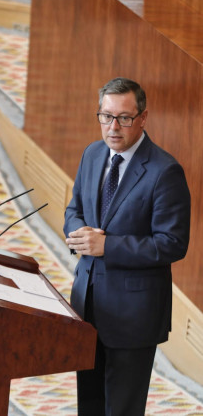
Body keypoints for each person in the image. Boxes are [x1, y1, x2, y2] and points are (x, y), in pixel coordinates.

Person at [64, 77, 191, 415]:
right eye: (106, 116)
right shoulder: (93, 154)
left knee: (121, 409)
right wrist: (78, 232)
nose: (113, 127)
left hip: (133, 315)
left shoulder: (165, 171)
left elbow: (172, 244)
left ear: (143, 118)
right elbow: (74, 209)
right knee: (88, 405)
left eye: (124, 117)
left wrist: (107, 246)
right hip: (88, 304)